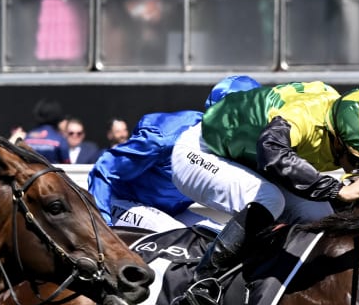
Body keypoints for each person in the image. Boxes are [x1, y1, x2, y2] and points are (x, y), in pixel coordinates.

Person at [169, 82, 359, 305]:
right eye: (358, 163)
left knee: (322, 218)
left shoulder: (343, 123)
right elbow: (272, 152)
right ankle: (200, 282)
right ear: (338, 140)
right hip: (201, 153)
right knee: (271, 200)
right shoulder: (304, 116)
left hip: (251, 158)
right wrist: (337, 190)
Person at [88, 74, 261, 232]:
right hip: (119, 202)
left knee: (219, 237)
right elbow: (104, 169)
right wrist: (102, 225)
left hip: (173, 212)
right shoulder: (164, 137)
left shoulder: (237, 147)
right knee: (175, 235)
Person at [23, 98, 67, 164]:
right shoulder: (59, 139)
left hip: (31, 173)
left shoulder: (28, 137)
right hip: (52, 173)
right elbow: (68, 165)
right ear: (57, 115)